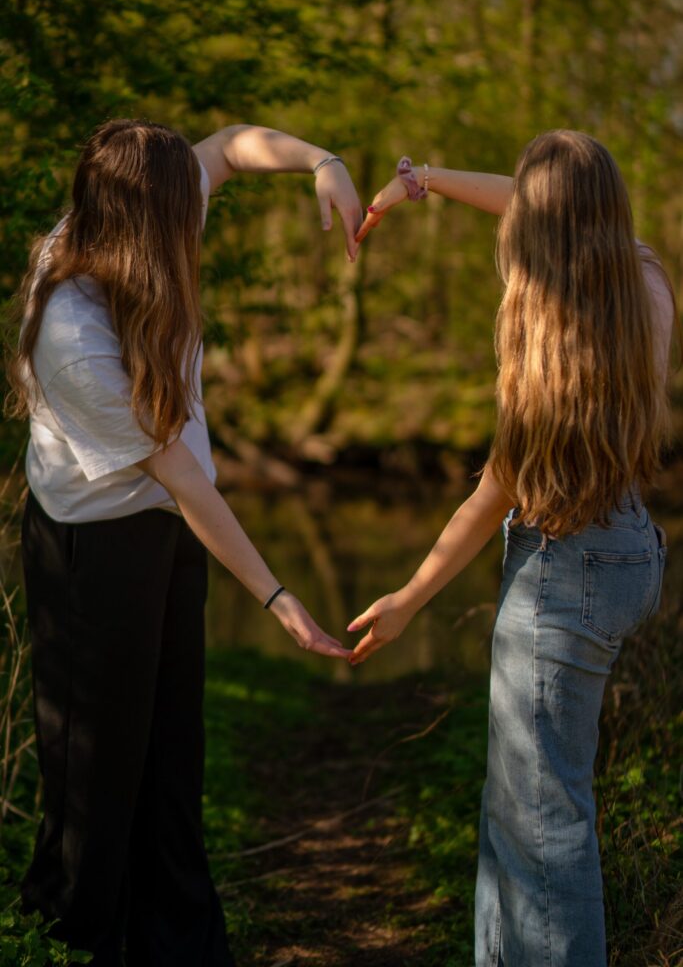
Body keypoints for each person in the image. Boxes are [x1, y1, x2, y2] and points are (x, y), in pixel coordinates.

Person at [5, 119, 362, 966]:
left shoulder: (134, 218)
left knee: (170, 756)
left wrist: (324, 163)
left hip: (164, 528)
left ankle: (181, 946)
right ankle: (75, 942)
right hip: (91, 550)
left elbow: (232, 145)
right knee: (94, 775)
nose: (193, 227)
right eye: (180, 215)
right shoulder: (72, 332)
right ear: (145, 221)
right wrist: (279, 599)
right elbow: (185, 479)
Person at [347, 131, 676, 966]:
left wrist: (405, 601)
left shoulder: (553, 352)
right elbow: (547, 205)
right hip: (628, 546)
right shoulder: (643, 281)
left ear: (538, 227)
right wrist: (421, 182)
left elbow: (488, 495)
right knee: (519, 806)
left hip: (563, 574)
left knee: (544, 826)